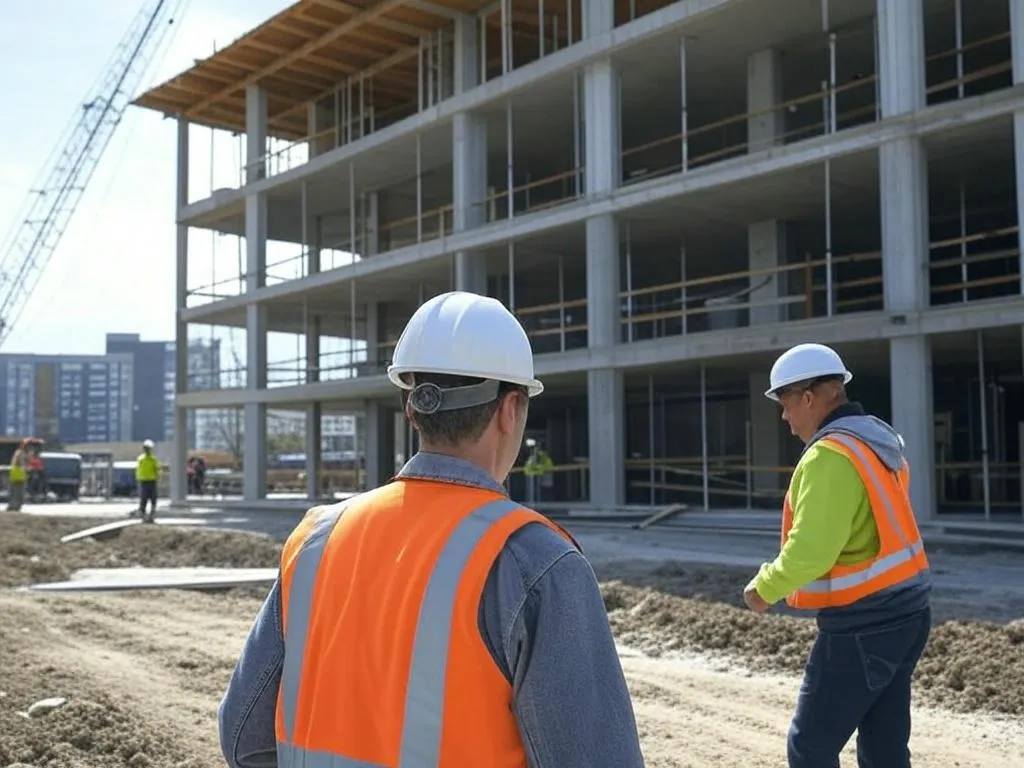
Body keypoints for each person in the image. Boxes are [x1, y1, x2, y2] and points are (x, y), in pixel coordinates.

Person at [218, 290, 644, 768]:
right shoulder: (533, 562)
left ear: (412, 410)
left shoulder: (317, 540)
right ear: (510, 410)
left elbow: (244, 738)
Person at [743, 343, 931, 768]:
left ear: (809, 398)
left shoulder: (830, 456)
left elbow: (813, 551)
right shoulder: (877, 443)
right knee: (885, 746)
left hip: (863, 624)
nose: (786, 420)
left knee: (810, 747)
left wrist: (763, 589)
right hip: (908, 613)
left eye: (786, 405)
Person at [135, 439, 160, 522]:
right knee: (143, 499)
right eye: (145, 448)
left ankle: (151, 515)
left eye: (148, 448)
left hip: (152, 481)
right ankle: (143, 515)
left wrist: (157, 477)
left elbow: (157, 469)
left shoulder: (153, 459)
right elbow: (138, 470)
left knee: (153, 499)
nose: (146, 449)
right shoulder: (141, 459)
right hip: (144, 481)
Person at [6, 439, 28, 511]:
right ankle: (16, 506)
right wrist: (26, 468)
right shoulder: (21, 453)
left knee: (13, 490)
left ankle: (11, 505)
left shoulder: (17, 452)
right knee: (18, 491)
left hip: (14, 473)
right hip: (19, 473)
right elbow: (22, 464)